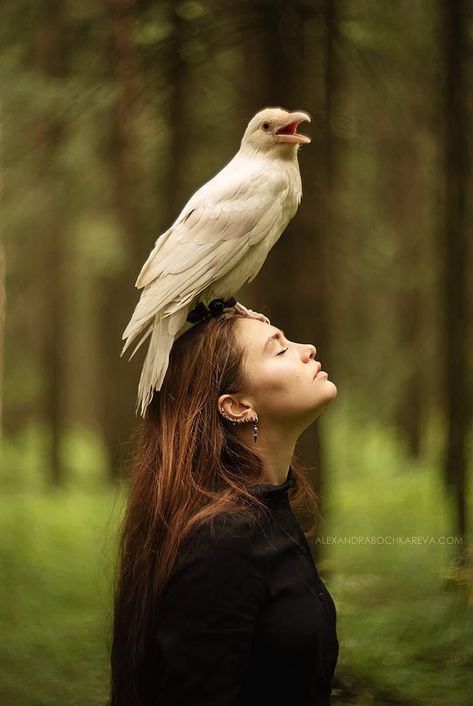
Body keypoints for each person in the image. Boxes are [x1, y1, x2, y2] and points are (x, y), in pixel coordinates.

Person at [109, 308, 339, 706]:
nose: (307, 349)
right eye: (279, 350)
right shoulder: (224, 540)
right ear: (236, 407)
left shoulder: (268, 511)